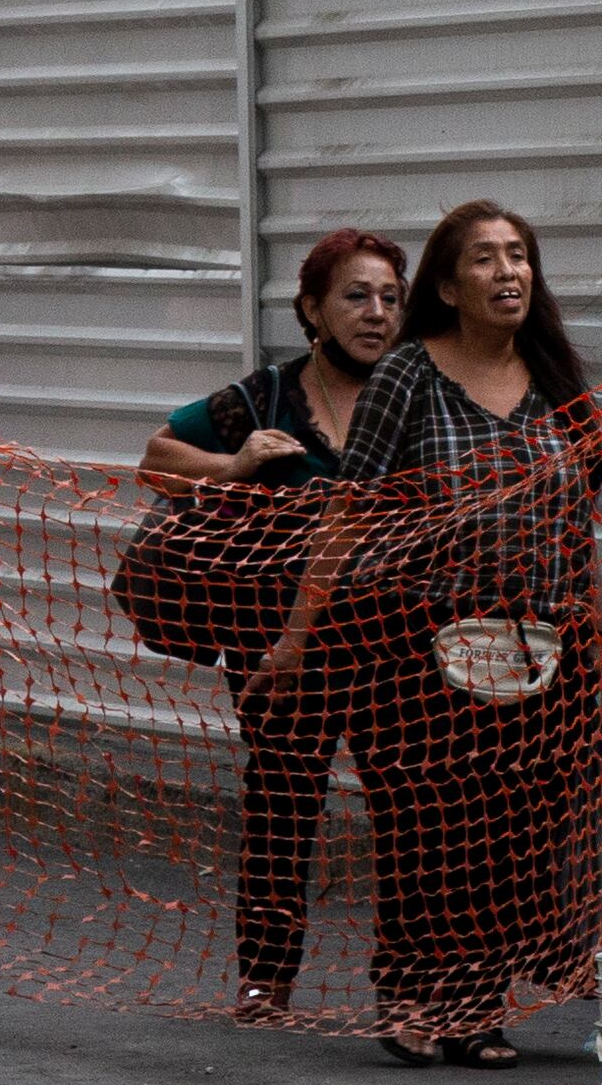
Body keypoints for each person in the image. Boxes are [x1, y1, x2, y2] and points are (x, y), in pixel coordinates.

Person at [267, 197, 602, 1067]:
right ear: (447, 283)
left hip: (542, 650)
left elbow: (574, 521)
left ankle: (476, 1006)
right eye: (485, 258)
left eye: (518, 255)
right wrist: (297, 635)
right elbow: (350, 510)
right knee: (435, 831)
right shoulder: (410, 377)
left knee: (525, 832)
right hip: (423, 644)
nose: (507, 272)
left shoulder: (555, 383)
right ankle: (411, 995)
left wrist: (590, 626)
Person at [143, 226, 416, 1027]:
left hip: (394, 637)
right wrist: (232, 465)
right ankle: (266, 980)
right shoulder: (262, 398)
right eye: (355, 297)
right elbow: (156, 455)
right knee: (281, 803)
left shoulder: (420, 395)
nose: (375, 314)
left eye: (390, 299)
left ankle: (406, 985)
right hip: (278, 643)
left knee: (408, 807)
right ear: (313, 309)